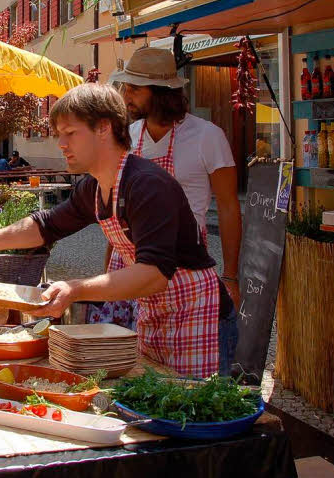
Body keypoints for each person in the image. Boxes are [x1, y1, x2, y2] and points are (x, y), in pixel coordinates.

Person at [0, 83, 223, 378]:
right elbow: (45, 225)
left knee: (192, 407)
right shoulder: (93, 187)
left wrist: (74, 289)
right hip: (153, 311)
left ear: (104, 128)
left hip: (193, 311)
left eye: (70, 133)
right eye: (59, 135)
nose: (62, 144)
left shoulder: (146, 185)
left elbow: (153, 275)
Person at [103, 45, 243, 374]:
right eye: (126, 87)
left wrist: (232, 277)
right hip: (133, 271)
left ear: (162, 93)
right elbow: (115, 206)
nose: (126, 95)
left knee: (191, 380)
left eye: (135, 88)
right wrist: (108, 273)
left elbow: (228, 207)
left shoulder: (208, 137)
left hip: (186, 272)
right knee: (140, 372)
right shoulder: (129, 135)